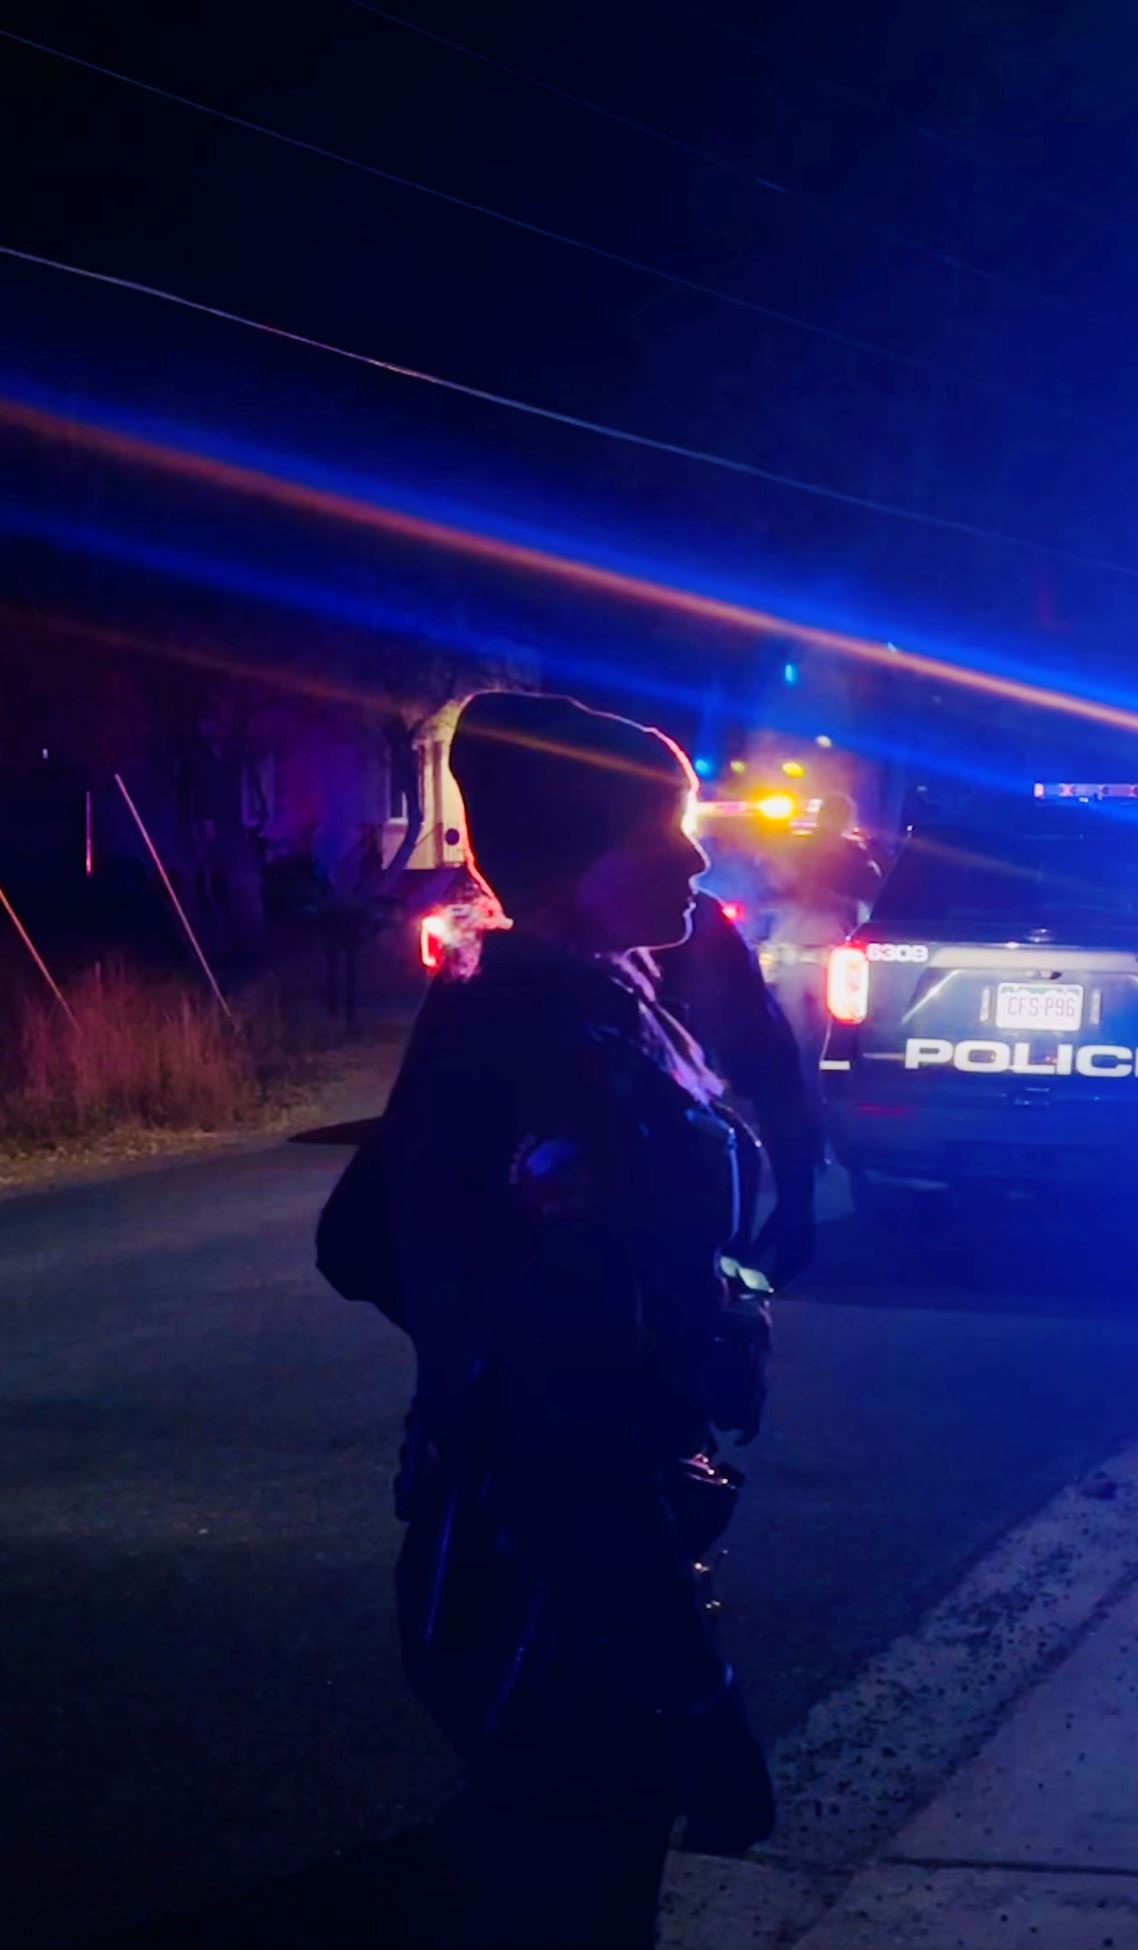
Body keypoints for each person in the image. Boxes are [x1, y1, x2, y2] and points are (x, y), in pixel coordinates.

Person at [319, 691, 776, 1947]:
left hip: (523, 1539)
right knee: (576, 1895)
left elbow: (360, 1240)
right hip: (559, 1581)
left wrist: (475, 1328)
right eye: (660, 832)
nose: (695, 858)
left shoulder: (557, 1004)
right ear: (576, 857)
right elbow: (571, 1420)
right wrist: (696, 1696)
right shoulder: (550, 1044)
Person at [654, 890, 821, 1287]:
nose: (695, 864)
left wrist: (796, 1196)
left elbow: (759, 1033)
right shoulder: (689, 917)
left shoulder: (695, 918)